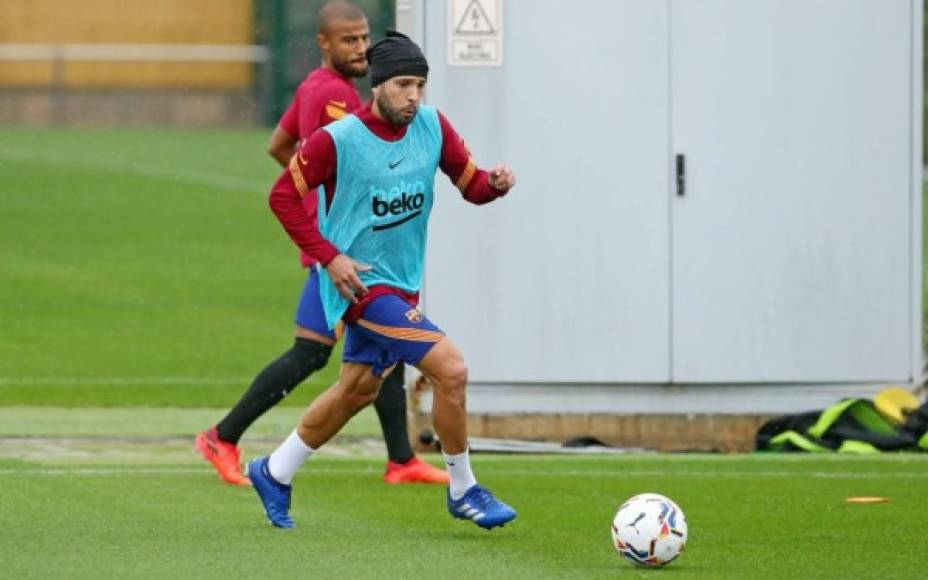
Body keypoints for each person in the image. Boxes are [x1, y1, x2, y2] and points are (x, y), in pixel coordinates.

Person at [246, 30, 518, 530]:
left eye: (420, 85)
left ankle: (274, 470)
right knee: (451, 370)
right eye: (403, 85)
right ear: (378, 85)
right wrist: (330, 258)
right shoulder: (338, 140)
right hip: (362, 288)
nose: (414, 96)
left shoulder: (433, 126)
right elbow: (282, 197)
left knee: (356, 392)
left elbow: (471, 185)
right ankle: (464, 489)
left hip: (403, 284)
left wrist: (495, 186)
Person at [195, 1, 447, 487]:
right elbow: (352, 156)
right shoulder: (336, 98)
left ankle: (401, 460)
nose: (360, 48)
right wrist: (324, 212)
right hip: (338, 251)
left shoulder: (314, 85)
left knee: (383, 342)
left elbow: (279, 145)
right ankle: (221, 437)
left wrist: (316, 194)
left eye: (364, 37)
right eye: (348, 40)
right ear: (323, 44)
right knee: (313, 351)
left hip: (342, 247)